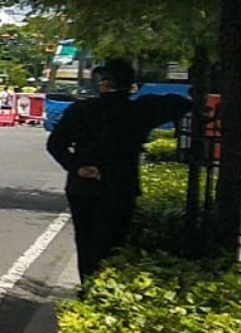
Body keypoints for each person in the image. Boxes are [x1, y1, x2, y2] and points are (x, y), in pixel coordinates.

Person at [46, 58, 191, 282]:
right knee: (114, 244)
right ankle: (106, 286)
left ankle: (88, 285)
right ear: (130, 86)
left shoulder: (81, 110)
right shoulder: (139, 111)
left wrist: (78, 167)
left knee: (86, 242)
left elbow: (55, 144)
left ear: (103, 84)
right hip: (120, 186)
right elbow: (181, 103)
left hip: (83, 186)